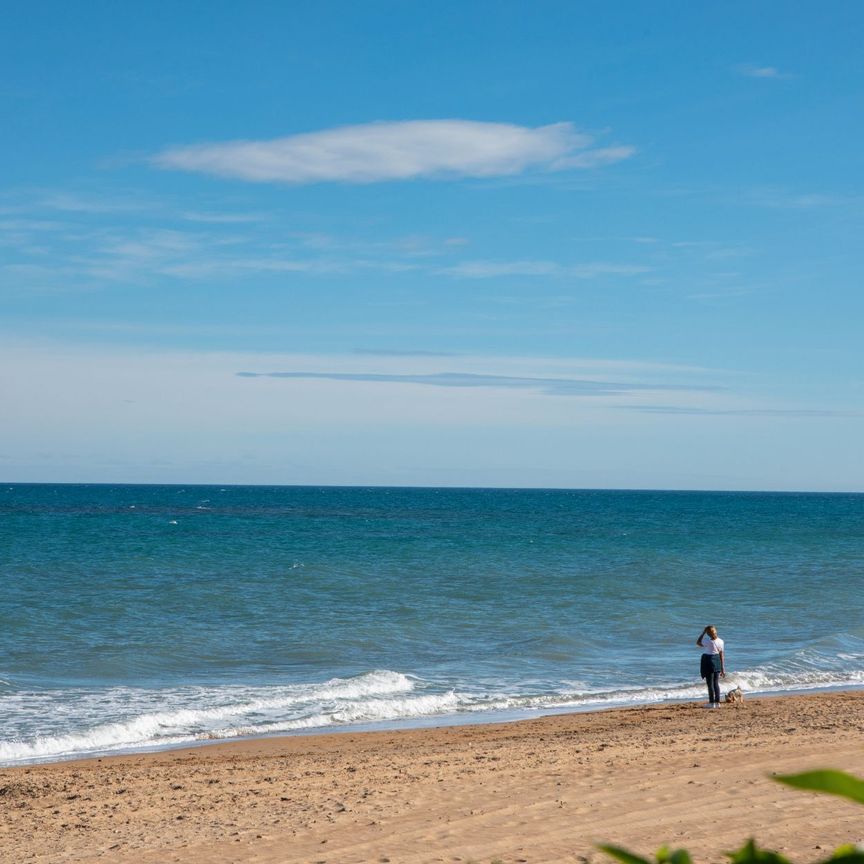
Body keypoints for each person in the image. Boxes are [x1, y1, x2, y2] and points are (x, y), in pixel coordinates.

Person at [696, 625, 725, 708]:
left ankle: (711, 703)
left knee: (710, 684)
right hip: (717, 661)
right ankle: (717, 702)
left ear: (708, 633)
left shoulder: (707, 641)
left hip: (709, 661)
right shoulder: (721, 641)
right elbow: (721, 654)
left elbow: (698, 642)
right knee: (716, 683)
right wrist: (723, 667)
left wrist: (703, 633)